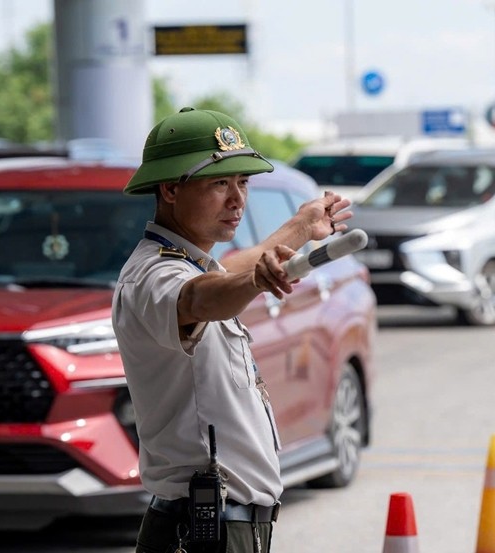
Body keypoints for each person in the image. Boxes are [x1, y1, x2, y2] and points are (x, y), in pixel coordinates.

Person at [111, 107, 352, 553]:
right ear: (169, 188)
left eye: (243, 183)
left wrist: (302, 227)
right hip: (203, 530)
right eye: (220, 183)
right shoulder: (154, 275)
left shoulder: (188, 261)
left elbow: (234, 267)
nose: (237, 199)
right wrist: (256, 281)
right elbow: (202, 297)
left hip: (225, 526)